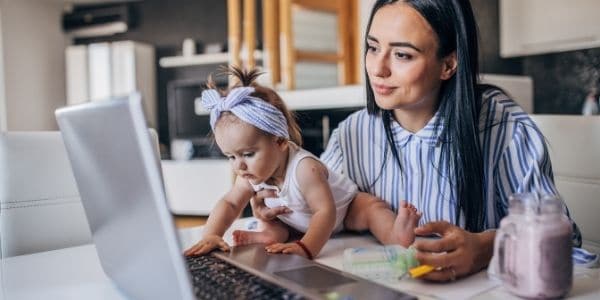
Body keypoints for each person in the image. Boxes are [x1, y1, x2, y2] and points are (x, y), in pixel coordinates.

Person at [251, 0, 582, 281]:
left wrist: (487, 248)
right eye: (372, 47)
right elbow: (323, 219)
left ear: (448, 64)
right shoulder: (353, 135)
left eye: (402, 55)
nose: (378, 68)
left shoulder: (504, 127)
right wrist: (283, 215)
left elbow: (566, 242)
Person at [183, 67, 422, 259]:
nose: (239, 166)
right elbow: (229, 203)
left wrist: (307, 247)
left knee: (372, 209)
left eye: (247, 154)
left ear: (279, 141)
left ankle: (396, 232)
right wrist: (212, 234)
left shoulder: (305, 169)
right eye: (231, 157)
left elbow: (325, 212)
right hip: (299, 222)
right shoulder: (249, 174)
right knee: (274, 222)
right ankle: (269, 236)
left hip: (345, 210)